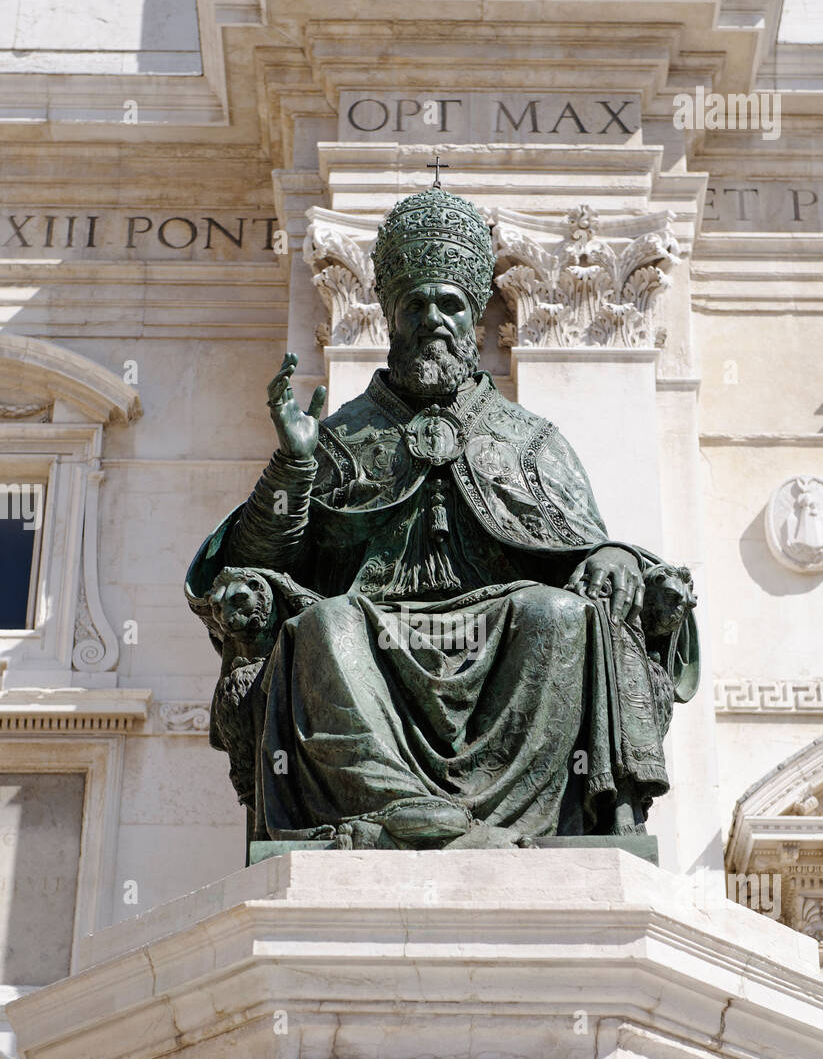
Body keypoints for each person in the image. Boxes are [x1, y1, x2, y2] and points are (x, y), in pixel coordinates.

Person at [187, 185, 698, 849]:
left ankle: (513, 820)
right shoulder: (340, 436)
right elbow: (255, 567)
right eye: (414, 304)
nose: (432, 318)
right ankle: (391, 808)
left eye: (449, 304)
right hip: (373, 629)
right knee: (323, 627)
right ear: (391, 317)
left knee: (560, 616)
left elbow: (582, 550)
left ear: (475, 317)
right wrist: (295, 466)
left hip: (500, 623)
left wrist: (617, 557)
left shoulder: (531, 439)